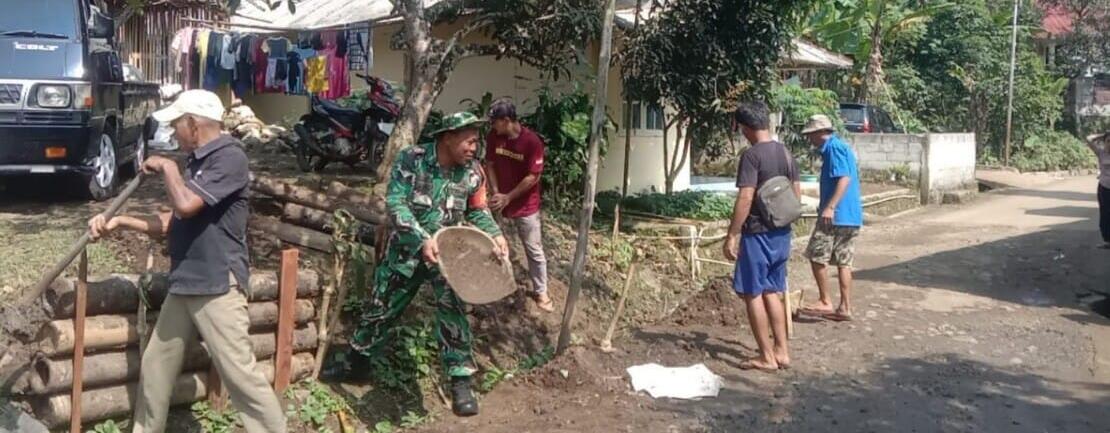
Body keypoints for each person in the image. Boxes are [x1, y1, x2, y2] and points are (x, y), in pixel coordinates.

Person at [87, 90, 286, 433]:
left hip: (217, 284)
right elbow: (171, 222)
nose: (172, 133)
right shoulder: (199, 162)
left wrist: (166, 166)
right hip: (187, 281)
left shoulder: (229, 157)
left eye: (176, 124)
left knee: (241, 376)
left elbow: (186, 205)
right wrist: (120, 222)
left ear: (193, 124)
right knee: (156, 365)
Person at [350, 112, 509, 417]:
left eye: (477, 141)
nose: (475, 147)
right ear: (447, 137)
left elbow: (477, 210)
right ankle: (357, 361)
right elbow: (396, 204)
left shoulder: (473, 172)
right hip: (407, 251)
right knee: (381, 306)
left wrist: (495, 234)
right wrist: (422, 239)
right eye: (470, 140)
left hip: (450, 256)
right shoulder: (413, 160)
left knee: (454, 311)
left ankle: (461, 382)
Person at [722, 101, 799, 372]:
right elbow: (795, 193)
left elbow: (745, 197)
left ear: (744, 127)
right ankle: (782, 351)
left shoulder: (752, 156)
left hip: (757, 234)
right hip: (782, 233)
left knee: (752, 293)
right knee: (772, 291)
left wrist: (732, 234)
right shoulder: (785, 153)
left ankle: (766, 357)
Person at [484, 98, 554, 312]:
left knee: (533, 250)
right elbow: (490, 164)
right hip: (500, 201)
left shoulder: (532, 142)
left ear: (506, 120)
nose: (492, 126)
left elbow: (533, 177)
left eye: (495, 121)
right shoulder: (494, 137)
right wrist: (496, 193)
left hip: (526, 206)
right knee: (494, 244)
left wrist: (509, 197)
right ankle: (497, 286)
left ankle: (541, 292)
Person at [799, 115, 864, 322]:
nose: (810, 139)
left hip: (835, 215)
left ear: (820, 133)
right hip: (850, 216)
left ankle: (825, 300)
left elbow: (844, 178)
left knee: (817, 255)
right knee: (844, 262)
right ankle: (844, 307)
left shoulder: (834, 148)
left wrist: (830, 207)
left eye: (811, 135)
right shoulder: (840, 148)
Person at [1086, 131, 1110, 248]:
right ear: (1104, 143)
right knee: (1105, 214)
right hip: (1104, 188)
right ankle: (1107, 241)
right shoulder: (1101, 153)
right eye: (1108, 141)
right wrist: (1103, 135)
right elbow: (1089, 139)